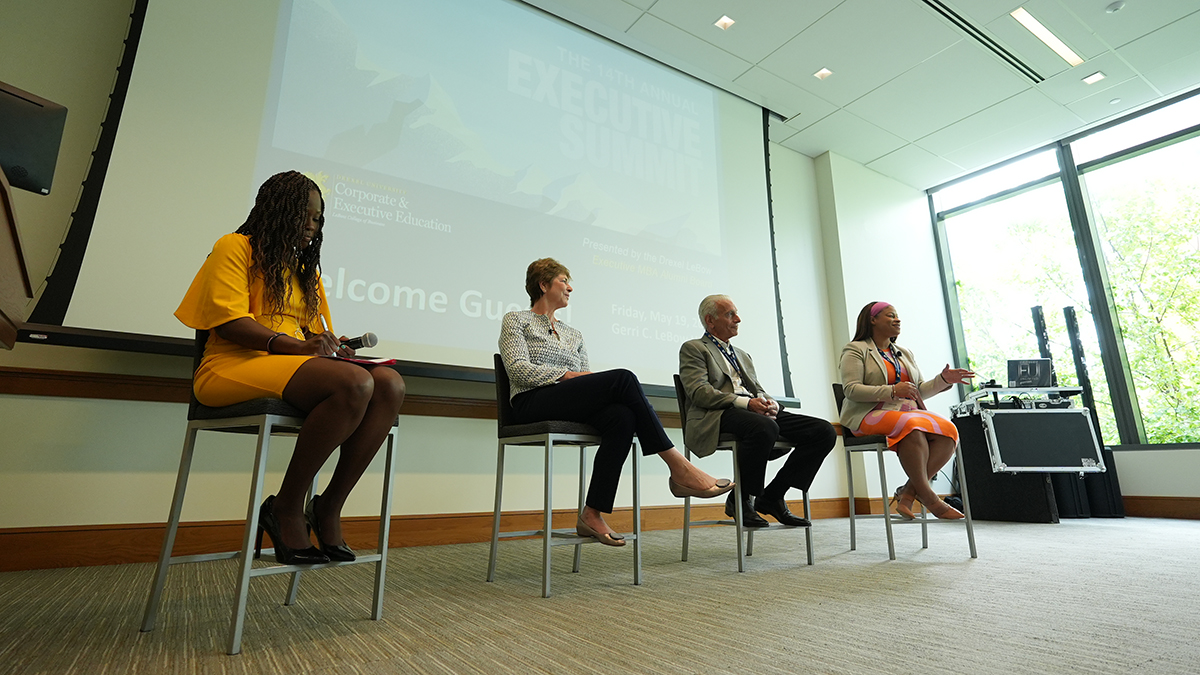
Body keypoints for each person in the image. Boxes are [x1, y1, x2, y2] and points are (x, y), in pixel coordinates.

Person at [175, 171, 406, 564]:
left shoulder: (304, 270)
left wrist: (333, 346)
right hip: (230, 365)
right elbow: (229, 322)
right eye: (305, 215)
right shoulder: (235, 247)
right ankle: (285, 507)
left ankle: (328, 506)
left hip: (288, 366)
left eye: (318, 219)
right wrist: (299, 346)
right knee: (353, 385)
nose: (312, 226)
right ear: (277, 210)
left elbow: (315, 333)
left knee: (389, 384)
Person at [499, 258, 734, 546]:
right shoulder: (516, 320)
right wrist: (566, 374)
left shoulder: (574, 334)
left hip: (566, 402)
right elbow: (518, 369)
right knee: (623, 378)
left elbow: (585, 378)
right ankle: (678, 467)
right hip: (530, 402)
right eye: (563, 281)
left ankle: (592, 512)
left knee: (622, 417)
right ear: (543, 284)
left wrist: (577, 378)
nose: (570, 288)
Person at [679, 295, 837, 528]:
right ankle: (741, 499)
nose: (738, 319)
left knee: (823, 431)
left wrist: (771, 403)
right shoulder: (694, 348)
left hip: (753, 413)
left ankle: (772, 496)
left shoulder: (742, 354)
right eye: (730, 314)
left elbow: (758, 389)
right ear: (710, 321)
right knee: (764, 427)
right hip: (719, 413)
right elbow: (699, 392)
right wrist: (745, 403)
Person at [839, 301, 975, 520]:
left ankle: (908, 493)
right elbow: (851, 390)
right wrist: (892, 390)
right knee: (912, 427)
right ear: (872, 320)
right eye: (890, 315)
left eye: (898, 315)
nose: (897, 319)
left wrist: (943, 380)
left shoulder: (904, 353)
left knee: (949, 431)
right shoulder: (855, 350)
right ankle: (930, 499)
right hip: (868, 414)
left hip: (906, 414)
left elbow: (919, 390)